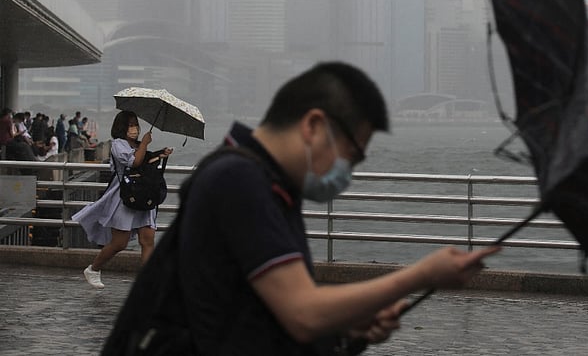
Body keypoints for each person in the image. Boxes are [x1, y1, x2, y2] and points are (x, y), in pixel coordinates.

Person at [121, 62, 499, 354]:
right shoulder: (239, 180)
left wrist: (347, 326)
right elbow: (303, 313)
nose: (347, 171)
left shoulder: (267, 184)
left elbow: (267, 305)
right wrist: (423, 275)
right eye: (351, 154)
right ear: (314, 125)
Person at [72, 110, 173, 288]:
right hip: (126, 196)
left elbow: (145, 162)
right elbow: (133, 162)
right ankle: (94, 269)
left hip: (144, 194)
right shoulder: (118, 145)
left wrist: (160, 154)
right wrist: (145, 145)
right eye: (130, 125)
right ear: (121, 127)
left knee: (148, 238)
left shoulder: (138, 144)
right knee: (120, 243)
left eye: (136, 124)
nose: (134, 128)